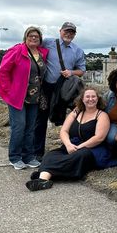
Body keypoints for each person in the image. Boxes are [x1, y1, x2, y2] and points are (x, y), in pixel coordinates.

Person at [26, 87, 111, 191]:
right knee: (50, 155)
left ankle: (44, 173)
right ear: (82, 99)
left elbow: (99, 138)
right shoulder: (76, 112)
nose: (90, 99)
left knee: (78, 156)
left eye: (93, 96)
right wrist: (68, 144)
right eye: (87, 96)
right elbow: (64, 131)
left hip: (91, 148)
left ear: (98, 99)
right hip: (72, 145)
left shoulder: (102, 115)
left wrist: (80, 146)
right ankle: (43, 180)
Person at [0, 26, 48, 170]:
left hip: (34, 97)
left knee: (30, 128)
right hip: (17, 96)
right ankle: (15, 157)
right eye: (31, 35)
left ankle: (28, 156)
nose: (34, 38)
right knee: (19, 127)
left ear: (40, 39)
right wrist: (9, 91)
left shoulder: (42, 53)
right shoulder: (17, 51)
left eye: (36, 36)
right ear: (25, 37)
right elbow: (3, 71)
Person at [33, 22, 86, 160]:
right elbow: (32, 47)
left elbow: (81, 71)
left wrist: (71, 72)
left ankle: (72, 146)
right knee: (41, 118)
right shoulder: (48, 42)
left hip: (65, 89)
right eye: (66, 31)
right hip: (47, 87)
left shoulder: (77, 50)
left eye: (72, 32)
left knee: (73, 116)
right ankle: (37, 152)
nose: (68, 34)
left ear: (75, 34)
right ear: (60, 31)